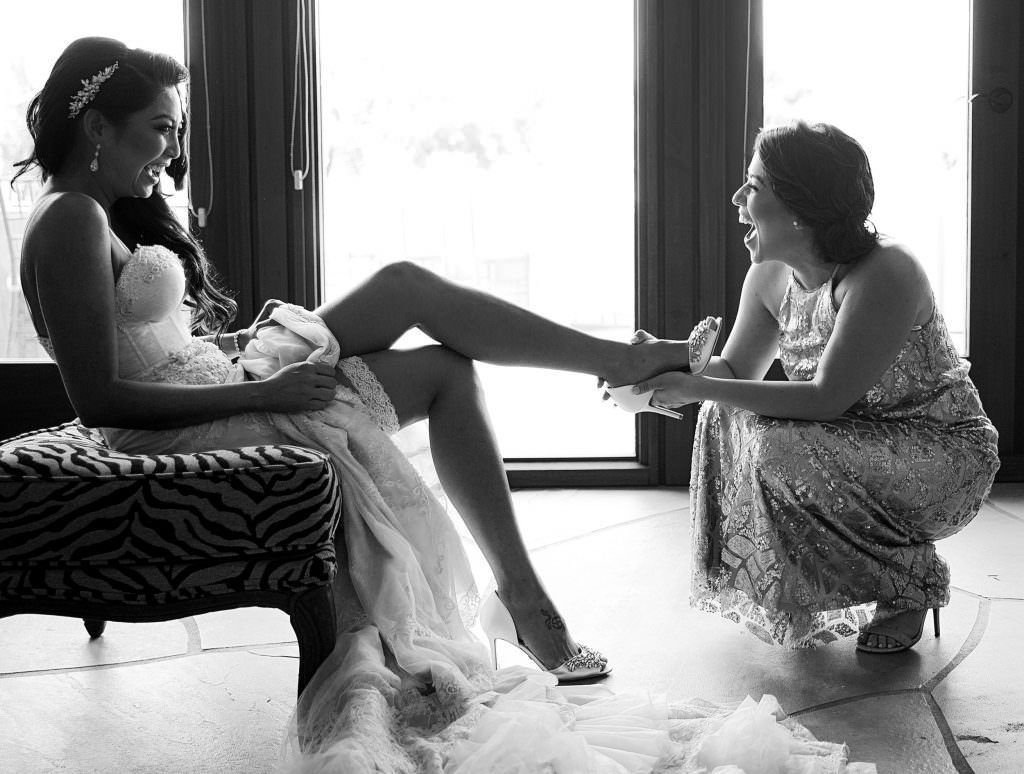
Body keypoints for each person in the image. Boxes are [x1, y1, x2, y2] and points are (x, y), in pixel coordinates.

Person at [15, 38, 873, 771]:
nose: (170, 149)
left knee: (445, 364)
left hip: (218, 385)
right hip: (175, 428)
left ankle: (532, 592)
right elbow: (97, 400)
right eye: (160, 128)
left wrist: (243, 356)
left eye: (174, 129)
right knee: (406, 286)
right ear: (96, 126)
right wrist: (271, 387)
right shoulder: (68, 222)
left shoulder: (101, 212)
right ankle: (621, 374)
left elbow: (156, 349)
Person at [631, 121, 1000, 652]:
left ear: (801, 208)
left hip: (941, 456)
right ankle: (826, 583)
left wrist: (697, 387)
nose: (736, 199)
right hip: (845, 443)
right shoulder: (769, 275)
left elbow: (826, 399)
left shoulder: (885, 272)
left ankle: (909, 579)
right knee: (726, 414)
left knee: (778, 443)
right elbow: (734, 373)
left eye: (753, 187)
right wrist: (653, 367)